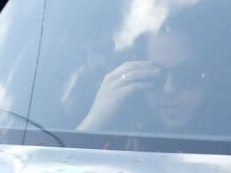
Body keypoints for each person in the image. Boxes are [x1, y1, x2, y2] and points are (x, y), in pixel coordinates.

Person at [77, 27, 209, 133]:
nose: (169, 89)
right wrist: (95, 120)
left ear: (206, 75)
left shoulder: (228, 140)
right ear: (137, 76)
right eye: (156, 77)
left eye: (185, 74)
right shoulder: (121, 138)